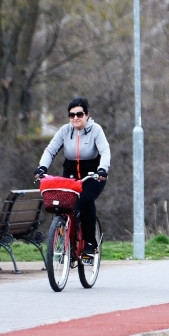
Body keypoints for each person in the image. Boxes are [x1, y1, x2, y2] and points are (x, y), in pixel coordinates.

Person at [35, 97, 110, 257]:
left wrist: (102, 169)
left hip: (92, 176)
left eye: (79, 114)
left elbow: (105, 151)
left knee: (85, 201)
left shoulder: (96, 130)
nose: (75, 118)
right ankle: (65, 237)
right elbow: (50, 150)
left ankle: (90, 243)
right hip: (70, 175)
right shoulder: (65, 131)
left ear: (87, 115)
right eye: (72, 115)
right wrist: (42, 168)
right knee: (63, 204)